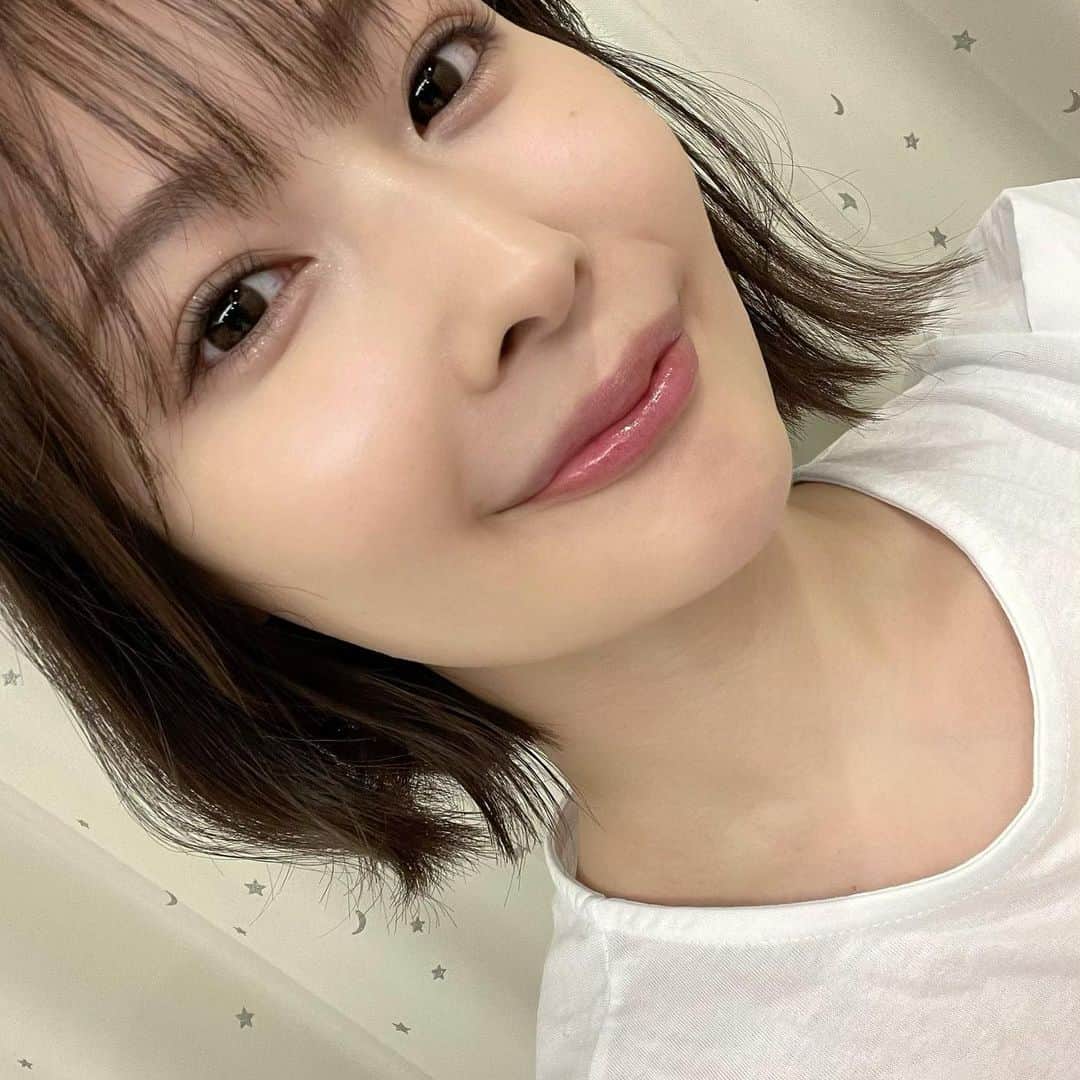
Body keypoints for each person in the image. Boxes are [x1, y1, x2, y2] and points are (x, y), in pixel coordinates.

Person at [2, 2, 1073, 1077]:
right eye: (239, 310)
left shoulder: (1054, 301)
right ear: (143, 568)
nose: (521, 268)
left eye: (437, 82)